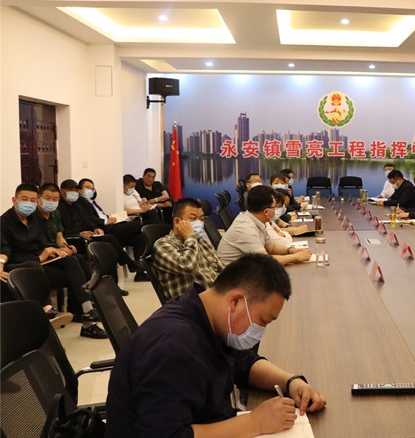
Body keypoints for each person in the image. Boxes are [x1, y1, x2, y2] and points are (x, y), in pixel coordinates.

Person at [105, 253, 327, 437]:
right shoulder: (174, 347)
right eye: (263, 320)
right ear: (235, 302)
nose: (261, 330)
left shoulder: (206, 316)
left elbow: (244, 363)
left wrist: (291, 382)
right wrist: (256, 423)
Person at [1, 183, 107, 339]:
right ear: (14, 200)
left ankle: (87, 312)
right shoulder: (4, 222)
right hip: (20, 266)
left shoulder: (33, 219)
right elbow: (6, 251)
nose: (28, 203)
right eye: (24, 199)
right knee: (35, 266)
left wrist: (56, 251)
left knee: (72, 261)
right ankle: (48, 309)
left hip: (39, 263)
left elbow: (40, 244)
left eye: (32, 200)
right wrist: (39, 257)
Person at [57, 179, 139, 276]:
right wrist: (79, 234)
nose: (74, 193)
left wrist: (95, 228)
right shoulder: (58, 208)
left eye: (75, 190)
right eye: (71, 190)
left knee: (117, 245)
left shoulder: (79, 202)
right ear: (62, 191)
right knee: (109, 239)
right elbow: (60, 230)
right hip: (76, 239)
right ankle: (130, 263)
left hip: (90, 235)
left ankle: (115, 280)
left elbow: (88, 220)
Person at [217, 186, 311, 266]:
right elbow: (265, 261)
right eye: (275, 207)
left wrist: (291, 251)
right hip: (234, 278)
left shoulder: (257, 220)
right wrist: (296, 257)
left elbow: (272, 247)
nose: (276, 210)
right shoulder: (245, 229)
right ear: (266, 211)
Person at [153, 198, 225, 300]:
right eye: (193, 218)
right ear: (177, 222)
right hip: (194, 304)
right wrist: (190, 237)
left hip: (219, 295)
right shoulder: (163, 245)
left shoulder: (203, 242)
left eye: (201, 219)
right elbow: (189, 266)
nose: (199, 223)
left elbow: (223, 271)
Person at [78, 178, 149, 281]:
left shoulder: (92, 202)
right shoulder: (80, 202)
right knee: (137, 225)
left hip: (109, 224)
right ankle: (131, 263)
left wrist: (118, 219)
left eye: (92, 189)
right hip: (103, 229)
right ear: (80, 190)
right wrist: (105, 222)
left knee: (139, 238)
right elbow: (88, 219)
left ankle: (140, 273)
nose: (91, 191)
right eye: (87, 187)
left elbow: (102, 216)